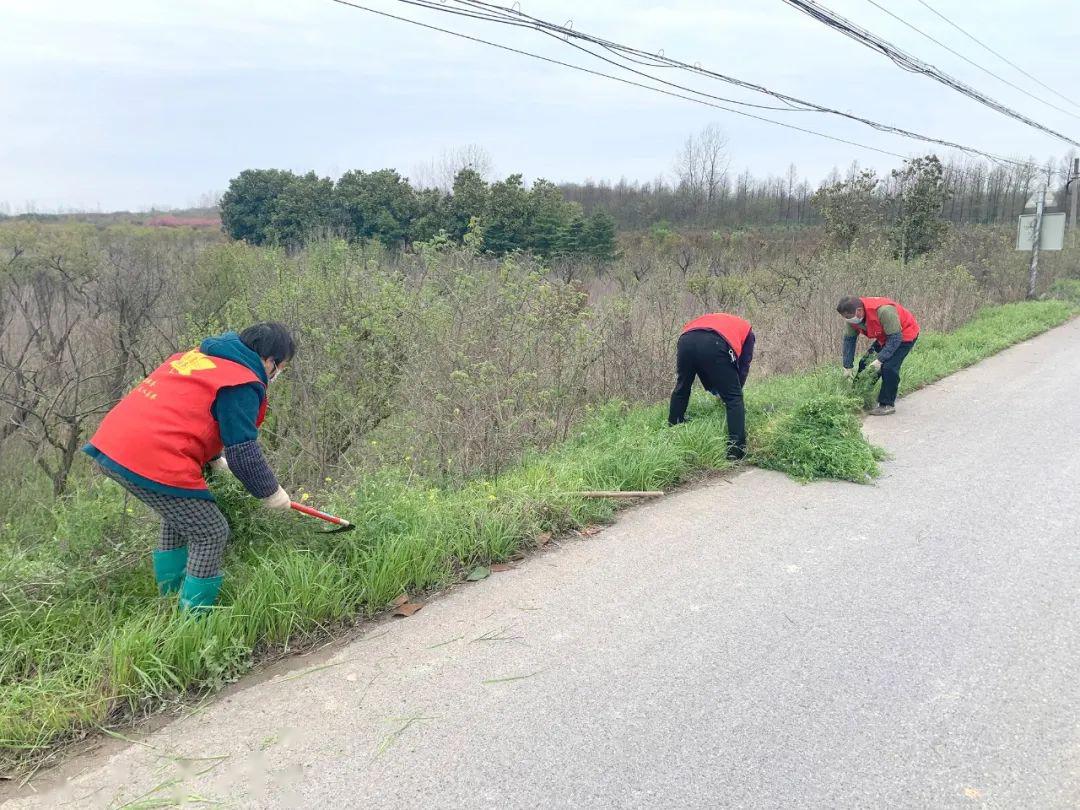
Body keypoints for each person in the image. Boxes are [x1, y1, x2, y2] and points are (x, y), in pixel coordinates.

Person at [84, 323, 295, 611]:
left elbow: (188, 412)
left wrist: (212, 459)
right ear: (270, 361)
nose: (277, 374)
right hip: (151, 454)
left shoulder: (199, 359)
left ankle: (169, 597)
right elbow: (244, 454)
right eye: (280, 367)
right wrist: (271, 494)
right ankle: (193, 620)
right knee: (210, 531)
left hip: (113, 442)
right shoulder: (241, 382)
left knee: (182, 516)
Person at [668, 312, 755, 460]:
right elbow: (743, 366)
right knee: (734, 398)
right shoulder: (748, 332)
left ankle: (674, 426)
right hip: (714, 342)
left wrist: (715, 389)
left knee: (682, 387)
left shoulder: (717, 320)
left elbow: (705, 369)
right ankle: (736, 450)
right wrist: (732, 390)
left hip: (685, 340)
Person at [836, 295, 920, 416]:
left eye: (848, 317)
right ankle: (858, 398)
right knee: (865, 364)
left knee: (889, 367)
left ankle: (887, 404)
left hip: (904, 335)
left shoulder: (884, 311)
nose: (847, 320)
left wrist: (880, 360)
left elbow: (895, 338)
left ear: (859, 311)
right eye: (844, 317)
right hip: (885, 337)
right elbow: (849, 340)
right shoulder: (852, 319)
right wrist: (847, 366)